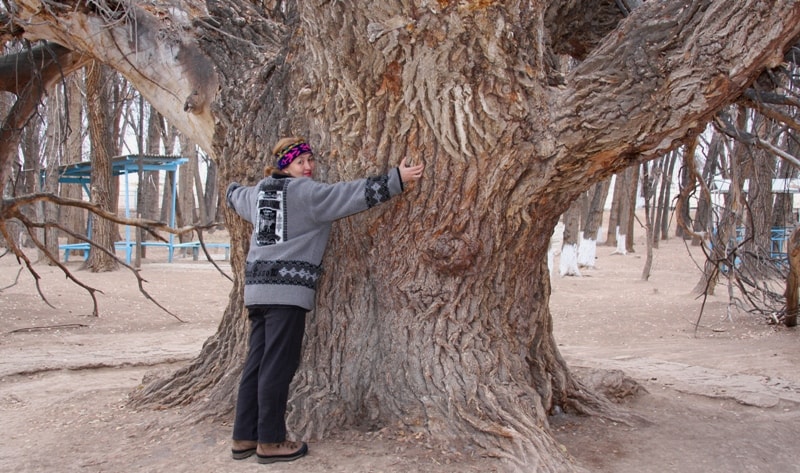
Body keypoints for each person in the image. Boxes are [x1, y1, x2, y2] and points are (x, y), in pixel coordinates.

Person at [226, 136, 424, 464]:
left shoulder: (259, 192)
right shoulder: (306, 193)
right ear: (284, 165)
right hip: (286, 294)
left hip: (257, 293)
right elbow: (347, 195)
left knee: (257, 364)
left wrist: (231, 189)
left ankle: (244, 436)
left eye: (310, 160)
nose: (308, 166)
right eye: (299, 161)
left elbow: (236, 196)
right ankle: (271, 442)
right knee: (277, 365)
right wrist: (395, 181)